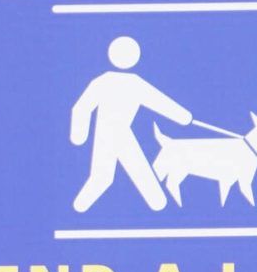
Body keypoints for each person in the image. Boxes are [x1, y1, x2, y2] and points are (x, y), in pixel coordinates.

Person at [69, 36, 191, 213]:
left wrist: (183, 117)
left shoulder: (114, 82)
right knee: (119, 174)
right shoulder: (123, 83)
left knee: (105, 176)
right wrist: (78, 135)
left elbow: (162, 103)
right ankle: (79, 208)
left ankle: (80, 207)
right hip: (114, 133)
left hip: (113, 133)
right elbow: (81, 108)